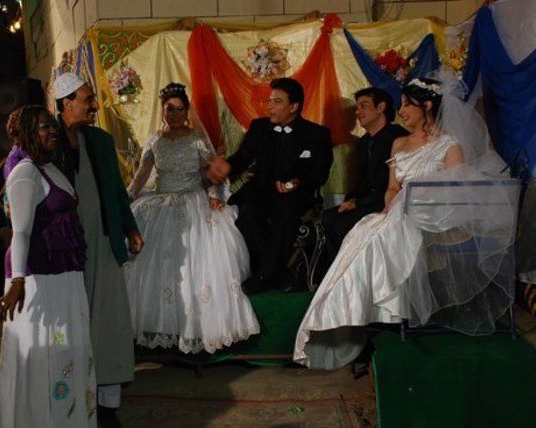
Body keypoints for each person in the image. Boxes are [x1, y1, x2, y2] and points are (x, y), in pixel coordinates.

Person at [294, 75, 517, 370]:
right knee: (361, 231)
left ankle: (368, 312)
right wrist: (390, 204)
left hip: (432, 217)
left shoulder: (450, 146)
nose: (401, 111)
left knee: (379, 235)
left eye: (407, 105)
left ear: (427, 106)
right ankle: (343, 315)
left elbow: (454, 195)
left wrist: (414, 207)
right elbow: (392, 187)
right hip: (398, 210)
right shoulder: (398, 143)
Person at [125, 83, 259, 354]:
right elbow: (141, 176)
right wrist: (125, 199)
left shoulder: (196, 138)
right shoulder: (154, 140)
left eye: (179, 109)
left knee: (197, 261)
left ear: (187, 111)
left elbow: (211, 172)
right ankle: (160, 327)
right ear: (162, 111)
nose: (174, 115)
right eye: (169, 109)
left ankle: (199, 328)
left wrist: (213, 195)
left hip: (192, 200)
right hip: (161, 200)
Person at [0, 106, 96, 427]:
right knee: (47, 352)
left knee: (68, 351)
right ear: (25, 134)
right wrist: (17, 281)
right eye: (42, 127)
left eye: (51, 125)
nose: (51, 131)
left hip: (65, 275)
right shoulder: (25, 172)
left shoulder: (50, 167)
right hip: (40, 279)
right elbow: (20, 232)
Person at [52, 72, 144, 426]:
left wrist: (130, 227)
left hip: (104, 244)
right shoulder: (47, 140)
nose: (94, 105)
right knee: (72, 325)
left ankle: (107, 407)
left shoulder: (101, 141)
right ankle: (72, 400)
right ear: (66, 104)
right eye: (87, 99)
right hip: (65, 252)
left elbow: (117, 191)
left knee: (109, 323)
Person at [207, 78, 333, 294]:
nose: (270, 106)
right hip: (260, 191)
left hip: (295, 195)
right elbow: (243, 157)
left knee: (286, 212)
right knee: (247, 214)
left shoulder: (317, 134)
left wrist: (297, 182)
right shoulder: (259, 127)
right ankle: (279, 273)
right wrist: (227, 166)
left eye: (277, 101)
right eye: (270, 101)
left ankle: (263, 276)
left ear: (293, 106)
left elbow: (320, 174)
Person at [320, 88, 409, 269]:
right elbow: (360, 179)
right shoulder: (363, 142)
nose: (358, 112)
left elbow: (397, 181)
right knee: (328, 218)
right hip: (366, 199)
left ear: (381, 107)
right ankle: (333, 273)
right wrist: (352, 199)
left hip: (390, 201)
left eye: (364, 106)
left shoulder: (398, 137)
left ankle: (352, 272)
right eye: (357, 107)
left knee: (340, 223)